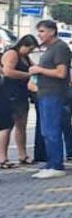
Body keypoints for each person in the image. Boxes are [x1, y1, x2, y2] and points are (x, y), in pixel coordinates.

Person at [28, 20, 72, 179]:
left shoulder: (60, 48)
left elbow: (61, 73)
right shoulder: (49, 49)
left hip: (54, 93)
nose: (39, 35)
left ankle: (57, 165)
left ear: (52, 31)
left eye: (42, 31)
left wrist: (39, 69)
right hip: (44, 93)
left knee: (52, 130)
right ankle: (50, 163)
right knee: (46, 131)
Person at [0, 35, 36, 167]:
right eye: (29, 49)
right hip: (8, 93)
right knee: (6, 126)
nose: (30, 52)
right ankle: (3, 157)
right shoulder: (12, 54)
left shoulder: (24, 57)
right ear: (23, 45)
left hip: (21, 94)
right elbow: (8, 72)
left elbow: (34, 67)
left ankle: (23, 155)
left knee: (21, 125)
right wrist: (27, 75)